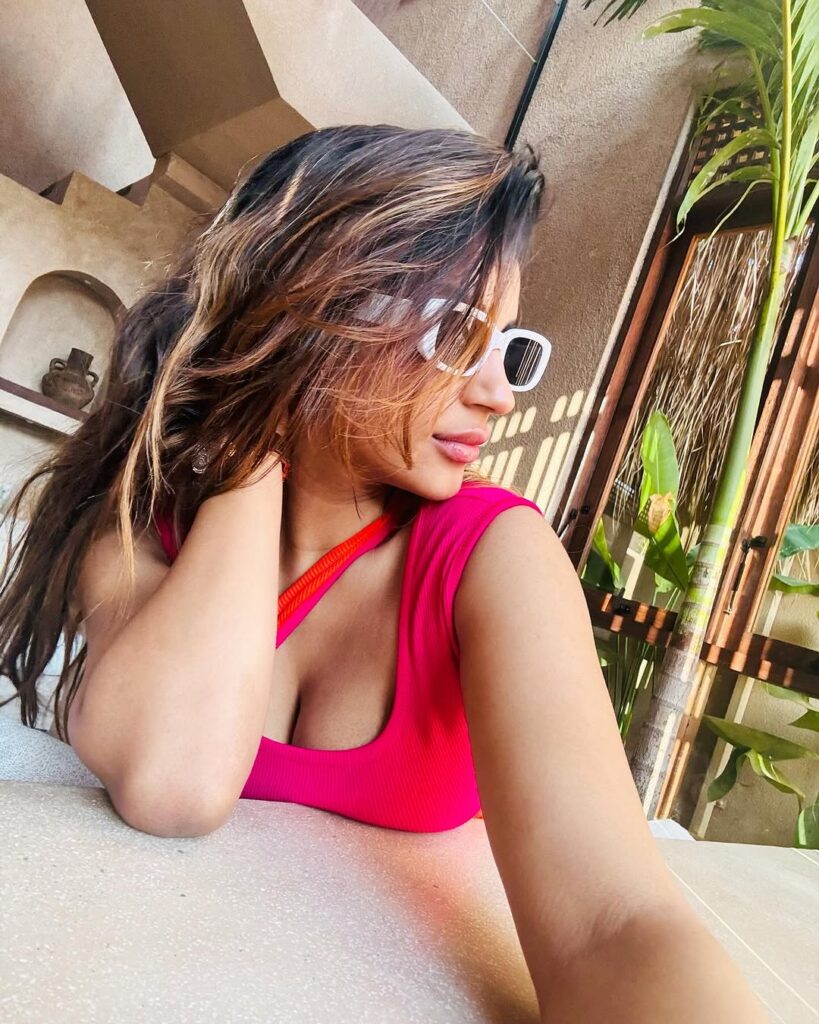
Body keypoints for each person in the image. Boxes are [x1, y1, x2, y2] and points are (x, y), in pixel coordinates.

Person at [0, 125, 768, 1022]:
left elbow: (614, 924)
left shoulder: (493, 556)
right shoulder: (150, 528)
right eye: (455, 335)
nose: (498, 393)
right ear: (307, 316)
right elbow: (173, 782)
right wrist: (259, 432)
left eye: (509, 347)